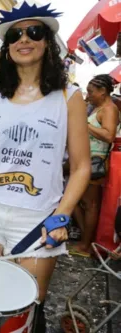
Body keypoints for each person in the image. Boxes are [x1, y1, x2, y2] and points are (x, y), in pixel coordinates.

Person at [0, 2, 91, 332]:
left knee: (25, 308)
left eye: (34, 31)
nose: (24, 39)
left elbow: (81, 166)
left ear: (48, 42)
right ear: (7, 46)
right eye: (15, 34)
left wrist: (63, 214)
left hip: (37, 219)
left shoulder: (69, 97)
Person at [71, 75, 119, 257]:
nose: (88, 95)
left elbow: (108, 135)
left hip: (96, 162)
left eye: (91, 92)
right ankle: (88, 240)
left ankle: (86, 245)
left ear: (103, 91)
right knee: (78, 201)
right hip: (86, 159)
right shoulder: (98, 108)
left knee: (90, 204)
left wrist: (84, 124)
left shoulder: (109, 109)